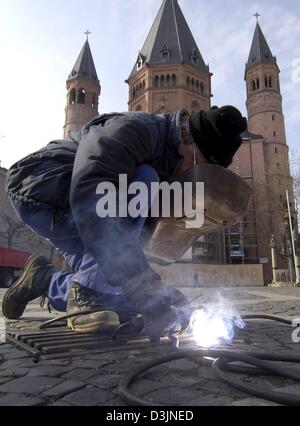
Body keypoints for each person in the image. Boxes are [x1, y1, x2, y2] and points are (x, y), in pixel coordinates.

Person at [2, 106, 247, 339]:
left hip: (77, 207)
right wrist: (141, 285)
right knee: (145, 178)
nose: (189, 173)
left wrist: (156, 292)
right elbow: (93, 192)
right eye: (196, 164)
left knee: (114, 299)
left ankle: (43, 278)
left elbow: (139, 235)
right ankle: (86, 294)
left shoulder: (170, 160)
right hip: (40, 186)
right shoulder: (136, 130)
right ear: (186, 135)